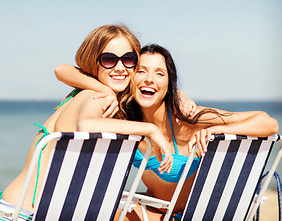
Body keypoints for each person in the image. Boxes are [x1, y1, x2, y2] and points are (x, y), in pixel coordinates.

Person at [55, 44, 279, 220]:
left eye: (160, 74)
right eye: (141, 71)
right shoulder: (125, 120)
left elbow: (268, 124)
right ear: (130, 78)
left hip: (188, 215)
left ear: (169, 83)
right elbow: (62, 70)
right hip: (150, 210)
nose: (149, 79)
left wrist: (217, 130)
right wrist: (104, 88)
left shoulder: (187, 117)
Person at [0, 25, 174, 221]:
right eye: (109, 59)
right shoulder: (93, 97)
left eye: (128, 59)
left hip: (21, 210)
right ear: (93, 63)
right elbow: (87, 124)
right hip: (23, 215)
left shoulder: (92, 96)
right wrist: (151, 129)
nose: (120, 67)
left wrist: (178, 98)